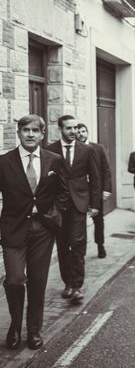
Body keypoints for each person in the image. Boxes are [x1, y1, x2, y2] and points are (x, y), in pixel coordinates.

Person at [0, 115, 70, 350]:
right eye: (25, 130)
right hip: (13, 228)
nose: (30, 134)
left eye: (35, 130)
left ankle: (34, 330)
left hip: (42, 228)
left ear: (42, 134)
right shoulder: (4, 161)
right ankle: (15, 325)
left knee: (38, 282)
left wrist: (55, 214)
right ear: (19, 133)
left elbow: (63, 190)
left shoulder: (54, 160)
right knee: (15, 279)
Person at [46, 115, 100, 305]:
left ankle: (77, 286)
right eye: (69, 128)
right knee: (62, 244)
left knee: (76, 242)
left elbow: (95, 178)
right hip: (59, 206)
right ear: (60, 129)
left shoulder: (87, 150)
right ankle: (67, 283)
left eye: (76, 128)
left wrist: (95, 205)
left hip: (79, 203)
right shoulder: (50, 150)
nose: (74, 131)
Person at [77, 123, 112, 259]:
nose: (80, 134)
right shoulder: (73, 149)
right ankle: (81, 249)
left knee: (98, 220)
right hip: (79, 191)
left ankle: (100, 245)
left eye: (83, 131)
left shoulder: (98, 148)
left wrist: (106, 189)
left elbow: (106, 170)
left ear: (88, 132)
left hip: (95, 190)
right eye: (78, 132)